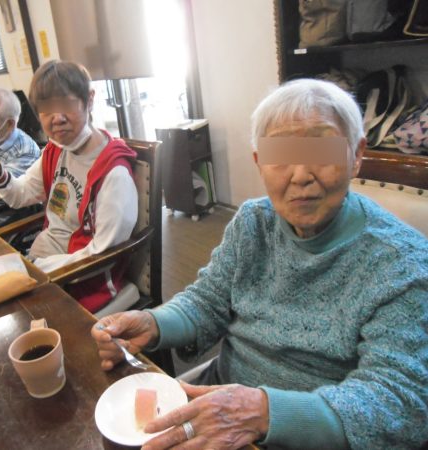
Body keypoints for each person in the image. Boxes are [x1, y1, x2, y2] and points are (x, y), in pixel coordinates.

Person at [91, 79, 428, 450]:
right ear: (259, 163)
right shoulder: (254, 222)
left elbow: (399, 402)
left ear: (357, 155)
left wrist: (263, 413)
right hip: (218, 403)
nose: (301, 175)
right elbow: (208, 300)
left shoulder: (402, 264)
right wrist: (153, 323)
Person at [0, 60, 138, 312]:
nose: (57, 118)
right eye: (46, 109)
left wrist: (35, 270)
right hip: (43, 267)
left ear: (89, 100)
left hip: (79, 283)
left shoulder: (113, 172)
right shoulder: (56, 151)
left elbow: (102, 254)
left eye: (67, 104)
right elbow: (20, 195)